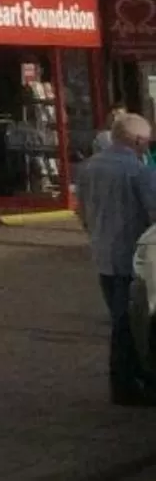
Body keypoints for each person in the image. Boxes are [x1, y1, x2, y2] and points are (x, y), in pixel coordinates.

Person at [76, 113, 156, 404]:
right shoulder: (138, 171)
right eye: (147, 142)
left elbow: (81, 211)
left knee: (119, 318)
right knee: (130, 324)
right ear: (138, 140)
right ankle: (128, 385)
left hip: (103, 254)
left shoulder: (88, 167)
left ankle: (128, 382)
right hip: (133, 256)